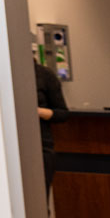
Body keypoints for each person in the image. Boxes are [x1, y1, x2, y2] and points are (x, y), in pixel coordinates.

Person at [35, 60, 68, 194]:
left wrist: (36, 111)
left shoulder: (45, 74)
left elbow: (62, 113)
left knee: (40, 200)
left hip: (41, 147)